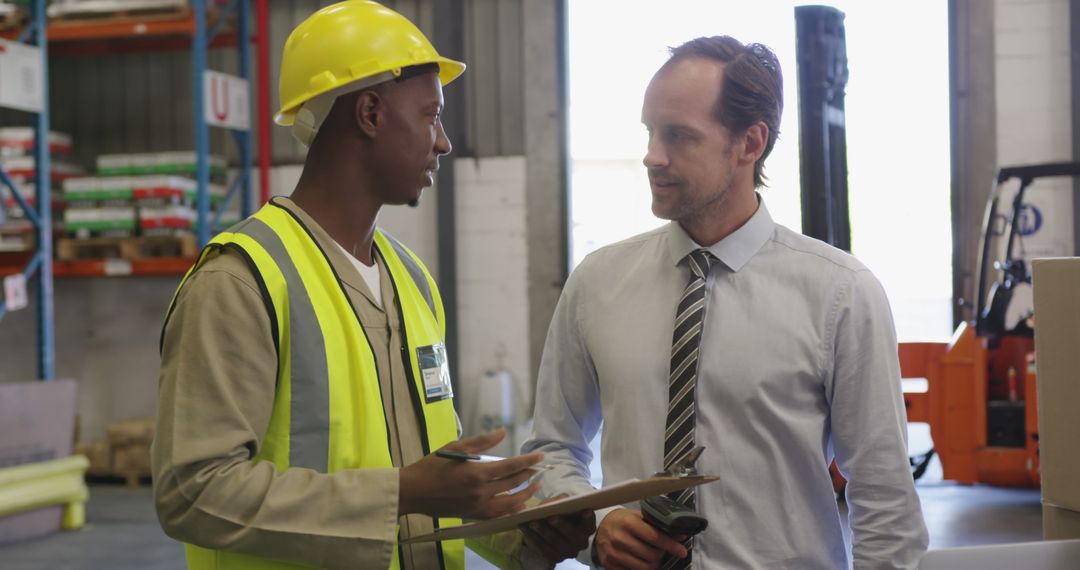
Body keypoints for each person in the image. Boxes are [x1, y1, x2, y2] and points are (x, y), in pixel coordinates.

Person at [151, 2, 592, 569]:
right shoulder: (241, 282)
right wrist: (401, 492)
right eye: (431, 115)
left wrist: (523, 531)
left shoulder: (411, 280)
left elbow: (427, 477)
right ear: (370, 113)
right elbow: (192, 494)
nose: (444, 142)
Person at [522, 36, 929, 569]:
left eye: (679, 136)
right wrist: (594, 527)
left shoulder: (840, 293)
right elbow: (551, 448)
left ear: (749, 143)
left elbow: (885, 499)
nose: (652, 156)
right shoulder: (597, 283)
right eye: (650, 131)